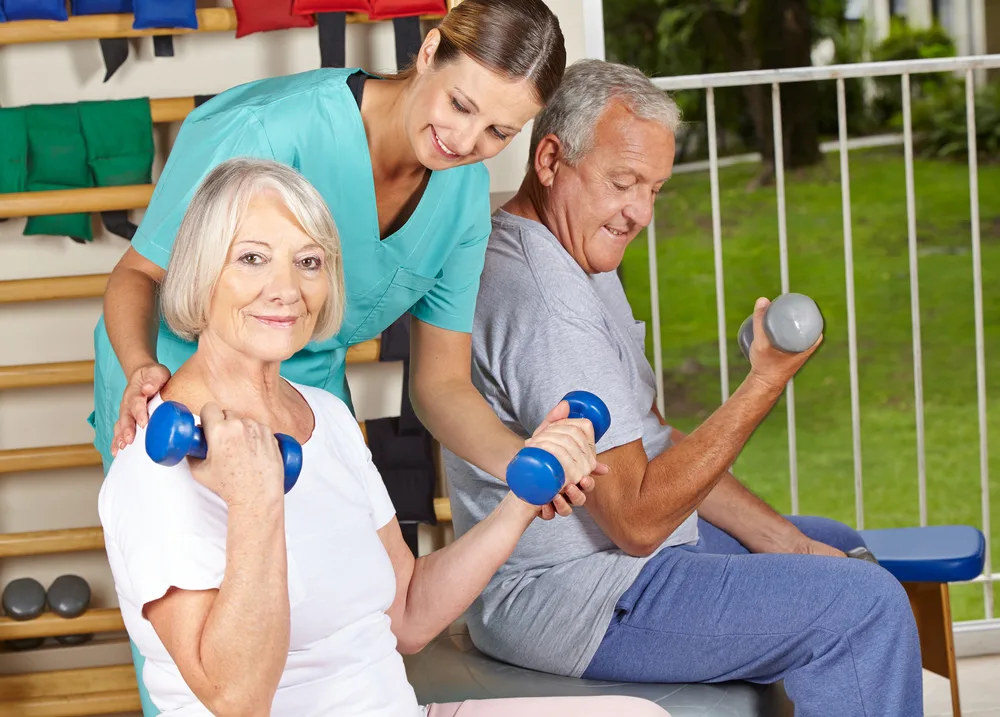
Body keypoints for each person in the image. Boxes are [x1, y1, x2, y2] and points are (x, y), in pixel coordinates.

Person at [99, 158, 668, 717]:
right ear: (202, 273)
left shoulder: (327, 417)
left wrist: (522, 502)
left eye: (308, 261)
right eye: (252, 259)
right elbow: (237, 701)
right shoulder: (156, 465)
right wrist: (254, 501)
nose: (287, 289)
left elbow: (410, 615)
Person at [443, 59, 924, 717]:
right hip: (571, 595)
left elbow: (655, 442)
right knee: (864, 606)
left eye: (655, 189)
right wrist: (762, 383)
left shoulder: (580, 255)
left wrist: (791, 544)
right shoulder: (544, 298)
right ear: (551, 159)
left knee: (826, 538)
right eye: (623, 183)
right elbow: (638, 519)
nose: (639, 212)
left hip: (614, 566)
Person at [93, 0, 594, 523]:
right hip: (178, 382)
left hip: (308, 399)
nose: (466, 142)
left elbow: (440, 384)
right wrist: (141, 371)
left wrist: (523, 459)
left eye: (500, 132)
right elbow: (139, 273)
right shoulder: (267, 130)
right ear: (428, 52)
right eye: (461, 105)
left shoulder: (465, 200)